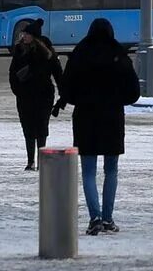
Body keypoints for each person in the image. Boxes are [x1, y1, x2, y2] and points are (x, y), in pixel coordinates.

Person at [54, 18, 140, 235]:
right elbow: (134, 92)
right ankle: (109, 218)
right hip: (112, 118)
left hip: (86, 118)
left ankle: (95, 218)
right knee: (111, 170)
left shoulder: (81, 53)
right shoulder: (118, 54)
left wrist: (82, 98)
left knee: (88, 172)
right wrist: (116, 98)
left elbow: (66, 89)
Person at [8, 18, 61, 170]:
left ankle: (41, 161)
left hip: (43, 95)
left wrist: (63, 95)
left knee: (41, 127)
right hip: (25, 96)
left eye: (26, 34)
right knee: (28, 128)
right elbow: (12, 73)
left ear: (33, 36)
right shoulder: (19, 50)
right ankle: (30, 161)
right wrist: (17, 90)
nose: (23, 36)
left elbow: (57, 73)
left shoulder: (46, 52)